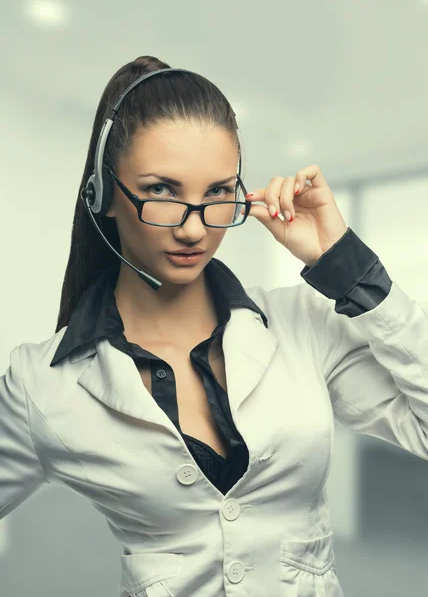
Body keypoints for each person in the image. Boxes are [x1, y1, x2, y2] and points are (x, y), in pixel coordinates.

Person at [1, 55, 427, 597]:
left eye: (218, 193)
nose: (194, 228)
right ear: (103, 196)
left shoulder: (302, 323)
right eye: (161, 191)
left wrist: (346, 268)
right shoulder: (43, 384)